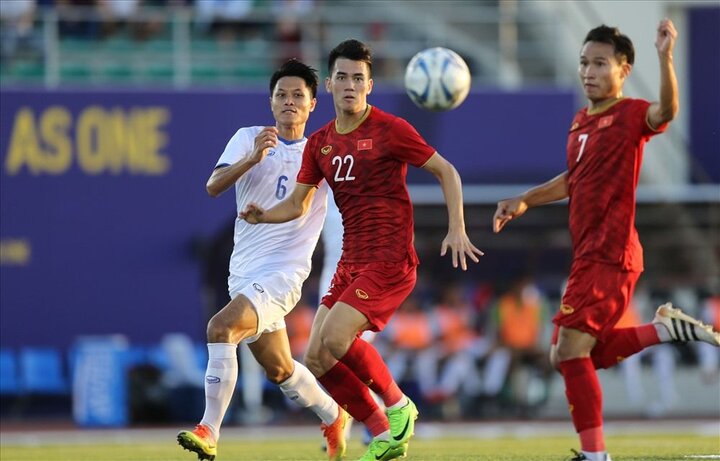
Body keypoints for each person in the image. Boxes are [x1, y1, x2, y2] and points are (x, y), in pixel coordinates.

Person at [241, 39, 483, 461]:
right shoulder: (321, 144)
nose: (350, 85)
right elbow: (297, 203)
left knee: (336, 338)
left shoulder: (391, 130)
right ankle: (379, 429)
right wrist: (264, 216)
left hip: (389, 260)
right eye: (342, 77)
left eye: (358, 78)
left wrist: (456, 227)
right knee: (315, 359)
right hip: (350, 263)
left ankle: (399, 406)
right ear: (330, 86)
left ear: (369, 86)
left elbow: (446, 171)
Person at [493, 20, 720, 461]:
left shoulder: (631, 113)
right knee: (570, 358)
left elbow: (667, 111)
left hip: (611, 252)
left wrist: (666, 56)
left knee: (570, 354)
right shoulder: (580, 120)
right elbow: (574, 180)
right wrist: (525, 200)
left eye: (599, 63)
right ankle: (662, 331)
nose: (588, 71)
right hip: (589, 255)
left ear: (623, 70)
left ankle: (595, 455)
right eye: (583, 63)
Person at [177, 59, 349, 461]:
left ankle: (209, 431)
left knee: (220, 328)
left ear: (311, 105)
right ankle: (334, 414)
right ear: (271, 102)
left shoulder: (323, 151)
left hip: (285, 273)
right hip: (245, 272)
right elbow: (213, 186)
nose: (289, 102)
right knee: (280, 370)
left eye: (298, 96)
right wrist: (252, 158)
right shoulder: (248, 138)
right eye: (281, 95)